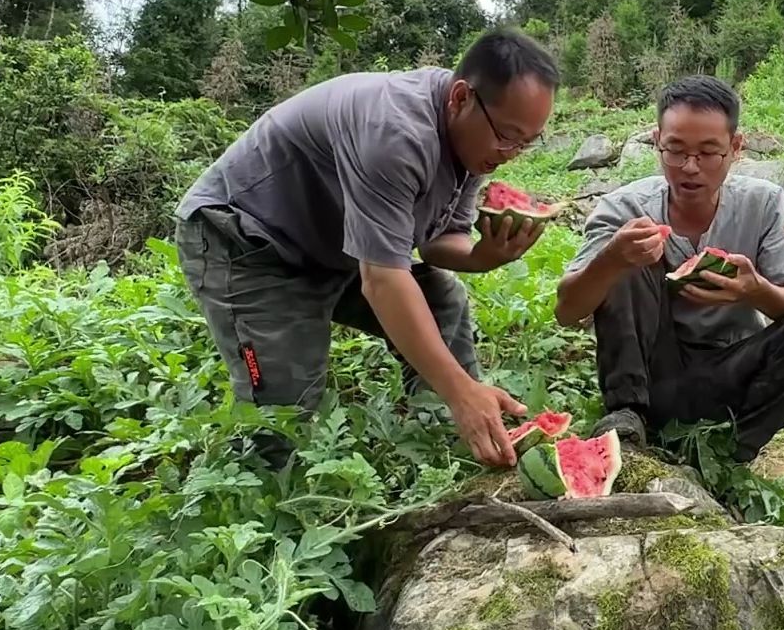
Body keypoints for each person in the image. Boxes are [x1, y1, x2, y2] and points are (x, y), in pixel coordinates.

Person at [175, 27, 559, 471]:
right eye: (508, 136)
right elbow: (382, 280)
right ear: (460, 98)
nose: (512, 153)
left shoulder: (475, 139)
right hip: (246, 241)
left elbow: (436, 242)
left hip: (332, 245)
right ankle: (260, 511)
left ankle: (454, 447)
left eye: (527, 142)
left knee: (442, 301)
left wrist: (482, 257)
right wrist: (461, 390)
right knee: (284, 409)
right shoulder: (395, 132)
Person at [555, 75, 784, 460]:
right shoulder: (624, 207)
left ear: (735, 148)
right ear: (657, 142)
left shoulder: (764, 203)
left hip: (731, 372)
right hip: (651, 373)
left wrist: (756, 291)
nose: (690, 167)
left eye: (708, 152)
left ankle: (728, 454)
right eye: (675, 150)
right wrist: (612, 259)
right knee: (628, 253)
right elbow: (567, 311)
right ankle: (626, 415)